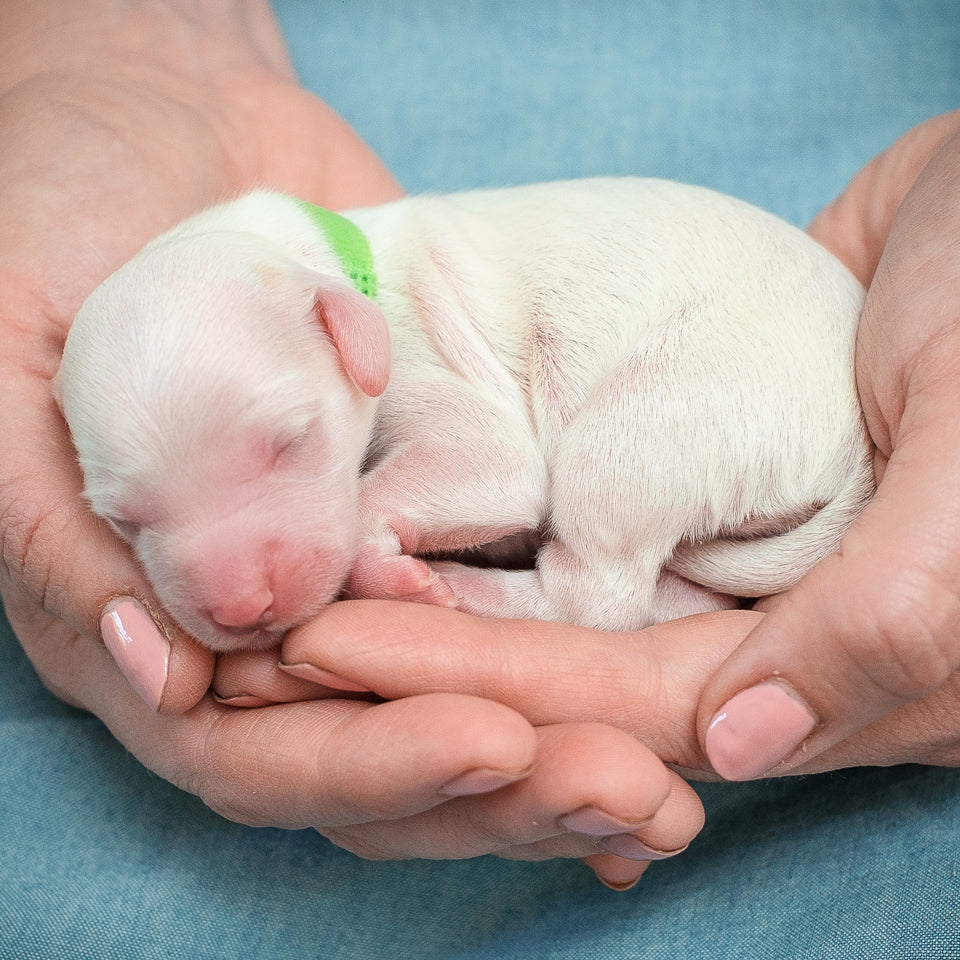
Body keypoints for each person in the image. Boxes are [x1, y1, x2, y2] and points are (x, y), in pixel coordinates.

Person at [2, 0, 958, 956]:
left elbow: (499, 474)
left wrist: (376, 520)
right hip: (744, 456)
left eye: (284, 447)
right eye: (134, 521)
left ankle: (588, 594)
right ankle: (665, 584)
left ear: (345, 334)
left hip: (747, 371)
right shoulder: (298, 316)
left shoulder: (401, 302)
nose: (231, 591)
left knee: (611, 457)